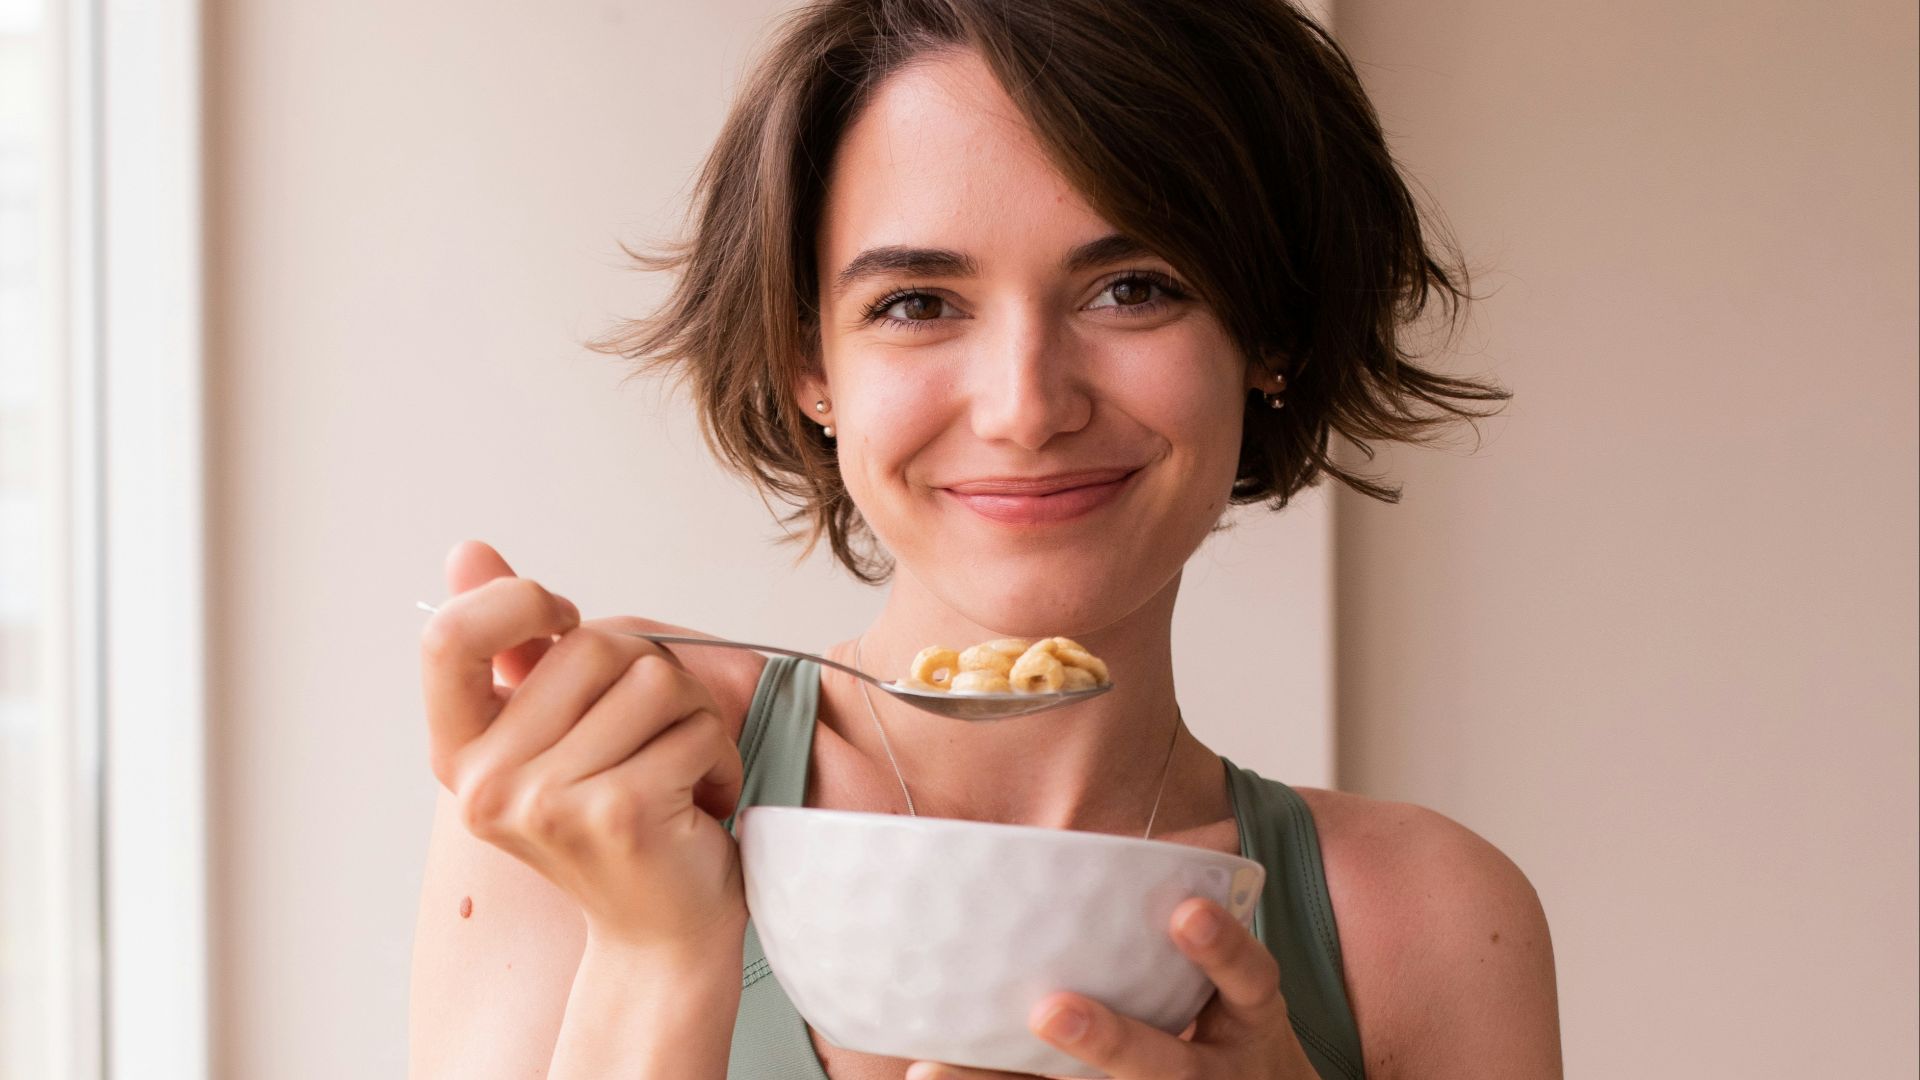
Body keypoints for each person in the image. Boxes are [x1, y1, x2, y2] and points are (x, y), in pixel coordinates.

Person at [410, 1, 1562, 1077]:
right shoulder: (606, 793)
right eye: (916, 303)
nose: (1024, 406)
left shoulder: (1432, 922)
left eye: (1134, 288)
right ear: (813, 364)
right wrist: (659, 956)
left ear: (1270, 331)